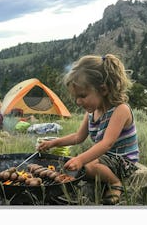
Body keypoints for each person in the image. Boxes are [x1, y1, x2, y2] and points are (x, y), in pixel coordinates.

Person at [38, 54, 139, 205]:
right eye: (76, 97)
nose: (78, 101)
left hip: (122, 160)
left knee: (86, 164)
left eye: (83, 96)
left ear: (103, 89)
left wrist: (81, 159)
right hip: (105, 158)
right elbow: (78, 137)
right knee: (71, 164)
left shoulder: (120, 110)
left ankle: (115, 183)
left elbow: (107, 144)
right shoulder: (91, 112)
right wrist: (54, 143)